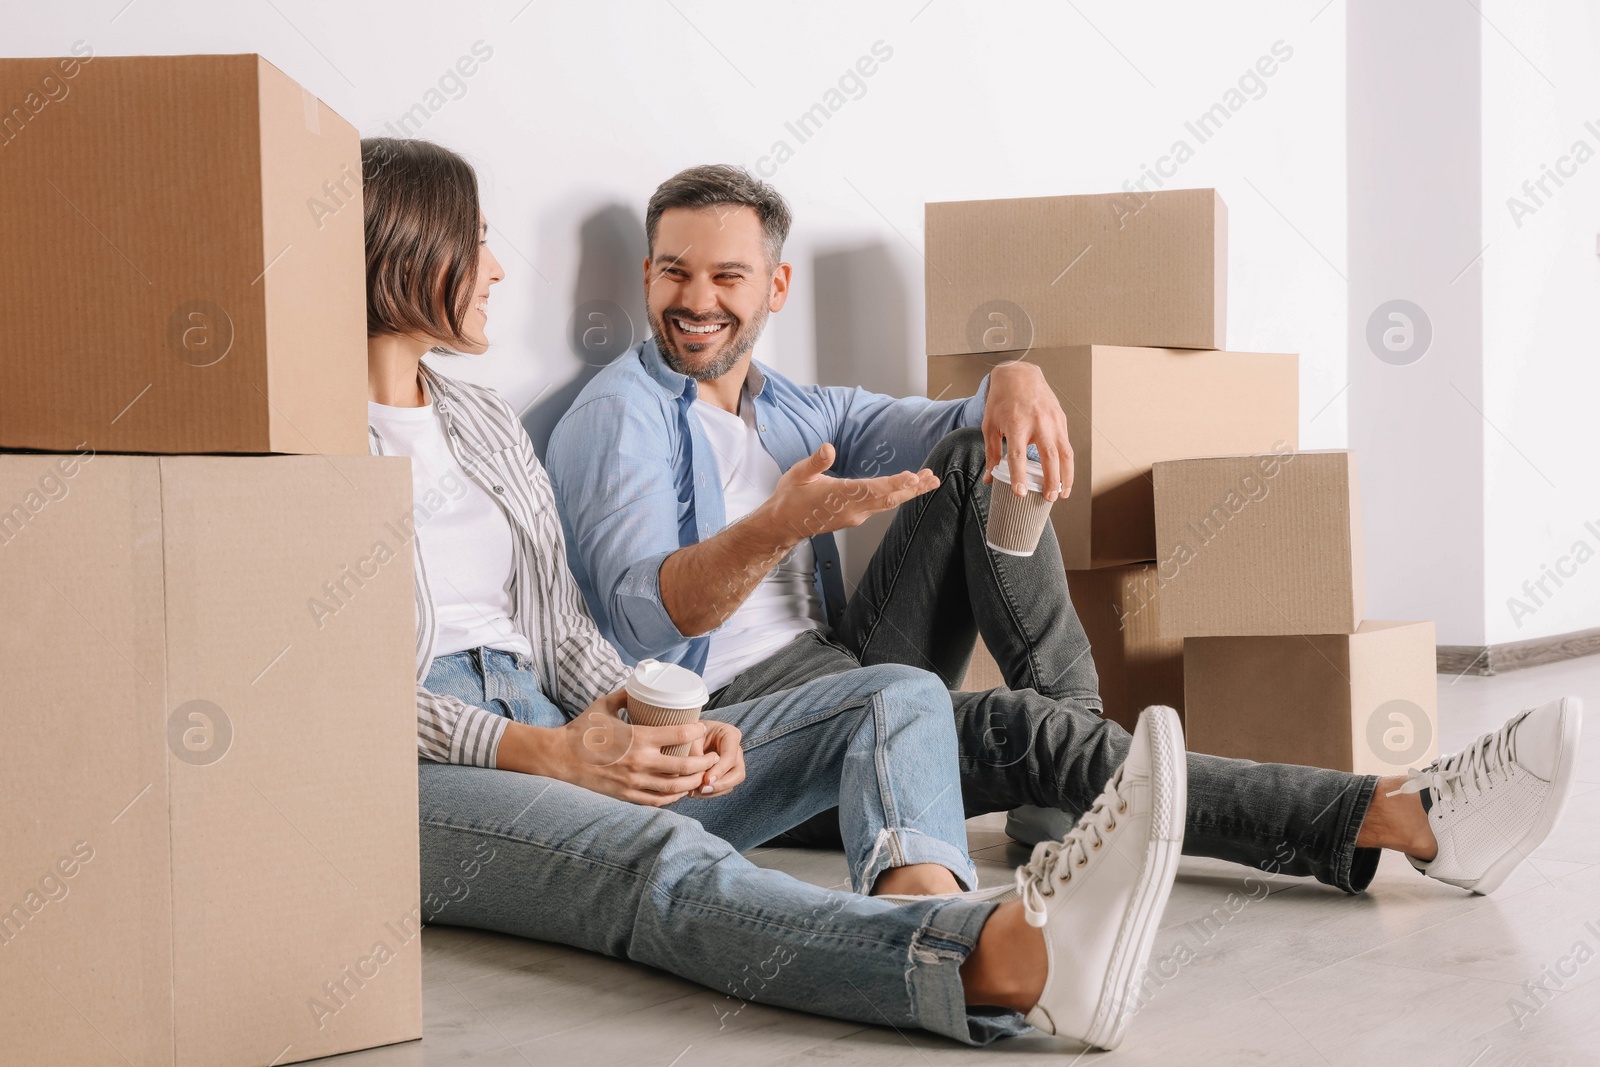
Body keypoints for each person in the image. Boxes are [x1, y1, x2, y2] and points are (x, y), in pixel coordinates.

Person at [546, 163, 1584, 900]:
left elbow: (941, 425)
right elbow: (646, 616)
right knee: (1018, 730)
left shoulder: (783, 404)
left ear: (771, 287)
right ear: (645, 274)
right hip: (734, 734)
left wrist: (1013, 375)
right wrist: (775, 528)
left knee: (968, 461)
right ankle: (1393, 816)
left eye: (724, 276)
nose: (694, 300)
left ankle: (1071, 766)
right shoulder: (617, 417)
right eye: (672, 270)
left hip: (834, 664)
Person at [360, 135, 1191, 1052]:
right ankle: (1001, 961)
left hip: (562, 723)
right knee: (662, 858)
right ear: (407, 250)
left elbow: (558, 625)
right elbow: (333, 697)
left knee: (901, 694)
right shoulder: (314, 445)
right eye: (475, 241)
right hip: (424, 771)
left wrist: (661, 717)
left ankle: (937, 912)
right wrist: (542, 750)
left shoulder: (479, 420)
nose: (499, 268)